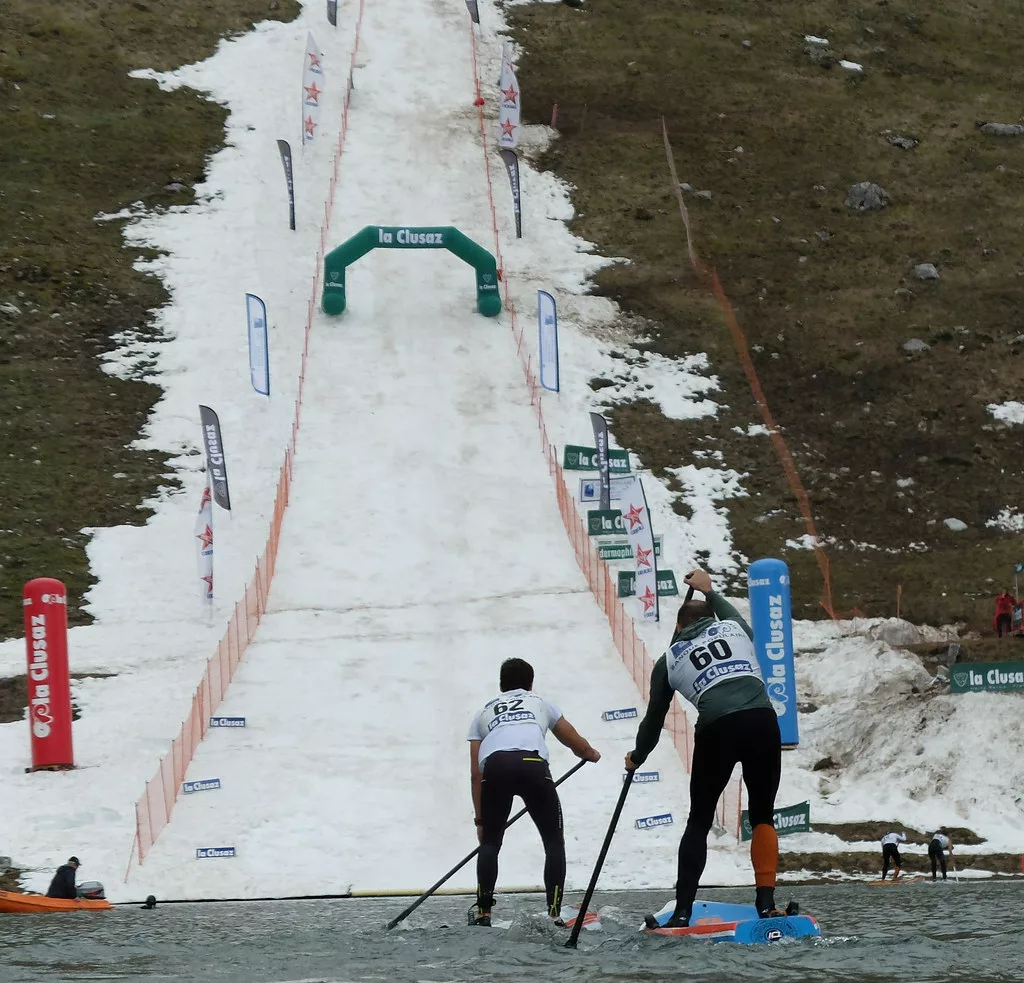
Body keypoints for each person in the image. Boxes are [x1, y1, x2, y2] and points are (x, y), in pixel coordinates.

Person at [625, 568, 785, 928]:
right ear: (712, 619)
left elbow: (654, 719)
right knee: (763, 814)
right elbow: (727, 611)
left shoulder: (667, 661)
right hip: (761, 720)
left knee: (699, 820)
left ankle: (683, 912)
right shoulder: (734, 628)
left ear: (679, 627)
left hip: (717, 729)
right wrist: (708, 590)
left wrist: (638, 756)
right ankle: (765, 904)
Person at [467, 657, 601, 928]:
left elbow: (475, 773)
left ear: (501, 685)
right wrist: (591, 753)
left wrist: (481, 821)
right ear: (530, 684)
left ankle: (483, 913)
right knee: (553, 842)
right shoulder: (539, 702)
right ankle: (553, 913)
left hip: (496, 767)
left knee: (490, 844)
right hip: (532, 766)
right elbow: (572, 739)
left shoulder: (482, 713)